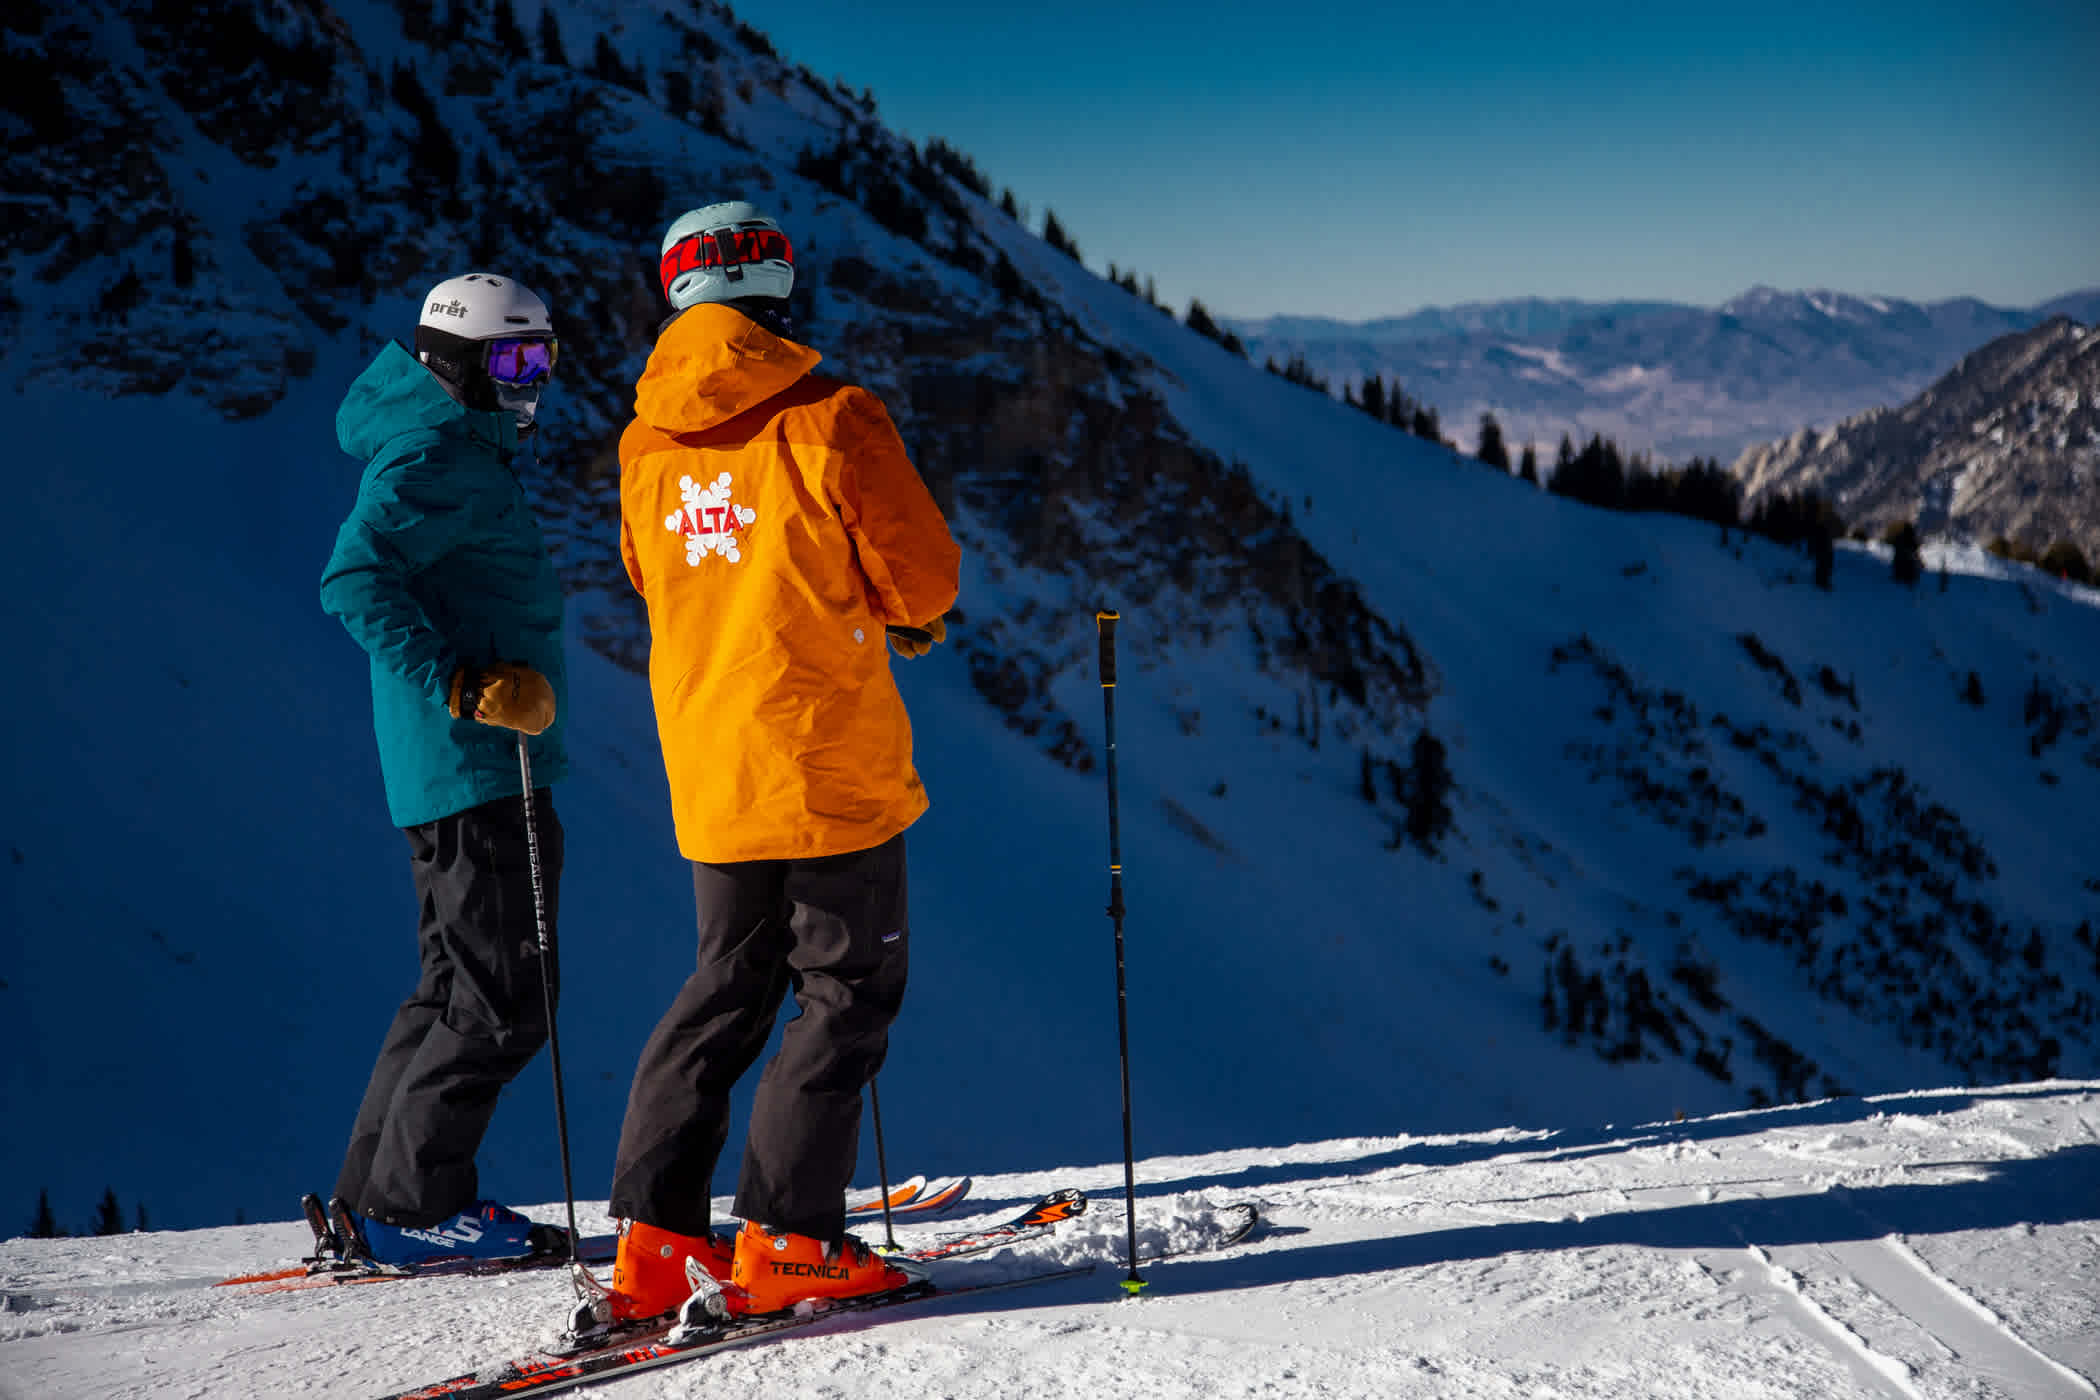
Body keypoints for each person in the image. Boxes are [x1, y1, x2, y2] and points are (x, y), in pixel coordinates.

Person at [598, 202, 960, 1323]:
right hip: (824, 763)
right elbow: (925, 578)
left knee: (725, 986)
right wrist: (891, 613)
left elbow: (653, 579)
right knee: (844, 992)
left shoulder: (644, 441)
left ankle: (656, 1238)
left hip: (710, 763)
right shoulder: (835, 415)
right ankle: (793, 1237)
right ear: (775, 287)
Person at [320, 272, 571, 1266]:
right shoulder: (436, 452)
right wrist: (463, 683)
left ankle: (372, 1199)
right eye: (513, 360)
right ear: (457, 365)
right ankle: (418, 1204)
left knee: (450, 987)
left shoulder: (459, 447)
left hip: (461, 770)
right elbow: (352, 577)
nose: (530, 381)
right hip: (474, 767)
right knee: (506, 995)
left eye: (542, 359)